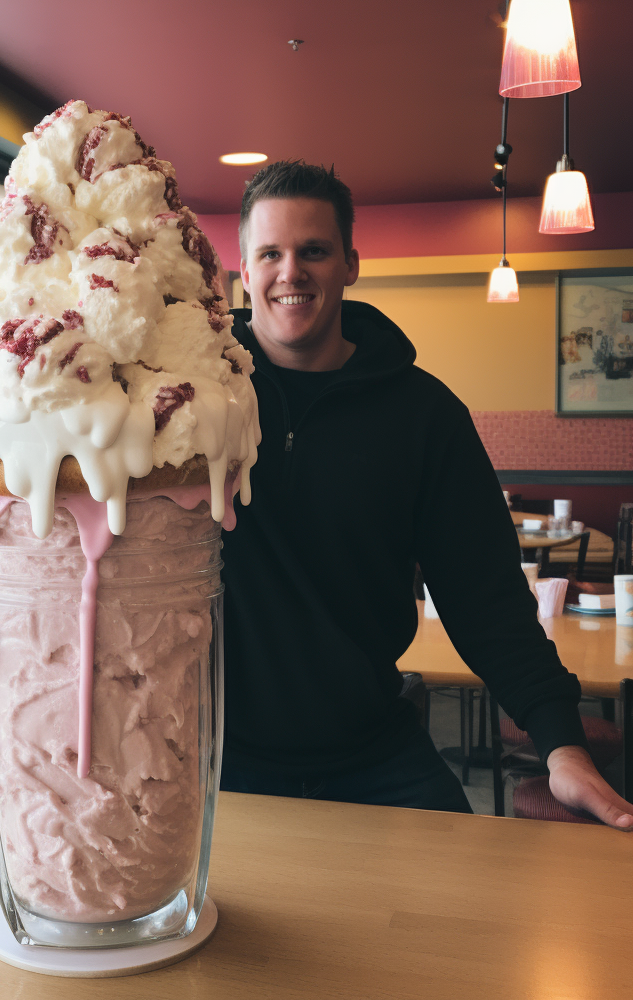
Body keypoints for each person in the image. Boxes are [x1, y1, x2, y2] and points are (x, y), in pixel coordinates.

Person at [219, 159, 633, 829]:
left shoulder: (425, 416)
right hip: (211, 757)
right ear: (244, 267)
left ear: (351, 263)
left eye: (314, 251)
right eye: (271, 253)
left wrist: (561, 743)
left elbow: (487, 601)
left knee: (471, 924)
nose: (290, 272)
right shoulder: (192, 399)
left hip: (372, 752)